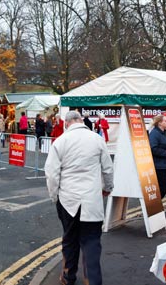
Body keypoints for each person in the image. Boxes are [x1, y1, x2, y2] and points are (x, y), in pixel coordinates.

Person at [44, 110, 114, 285]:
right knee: (91, 242)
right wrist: (107, 188)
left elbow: (52, 174)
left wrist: (54, 196)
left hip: (68, 200)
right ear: (81, 121)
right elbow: (108, 168)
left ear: (66, 123)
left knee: (69, 239)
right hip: (91, 200)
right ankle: (92, 280)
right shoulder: (97, 140)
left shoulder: (60, 141)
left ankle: (68, 277)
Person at [148, 114, 166, 218]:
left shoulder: (165, 133)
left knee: (164, 188)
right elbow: (152, 149)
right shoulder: (155, 134)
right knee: (162, 188)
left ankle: (157, 210)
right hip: (159, 165)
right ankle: (154, 210)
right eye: (165, 121)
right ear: (159, 122)